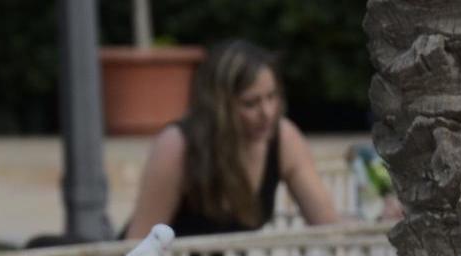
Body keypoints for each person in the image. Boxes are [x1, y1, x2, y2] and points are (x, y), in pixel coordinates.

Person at [125, 39, 338, 240]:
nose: (267, 112)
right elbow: (138, 244)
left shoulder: (283, 137)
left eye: (272, 97)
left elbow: (329, 224)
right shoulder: (177, 145)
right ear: (219, 106)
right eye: (250, 103)